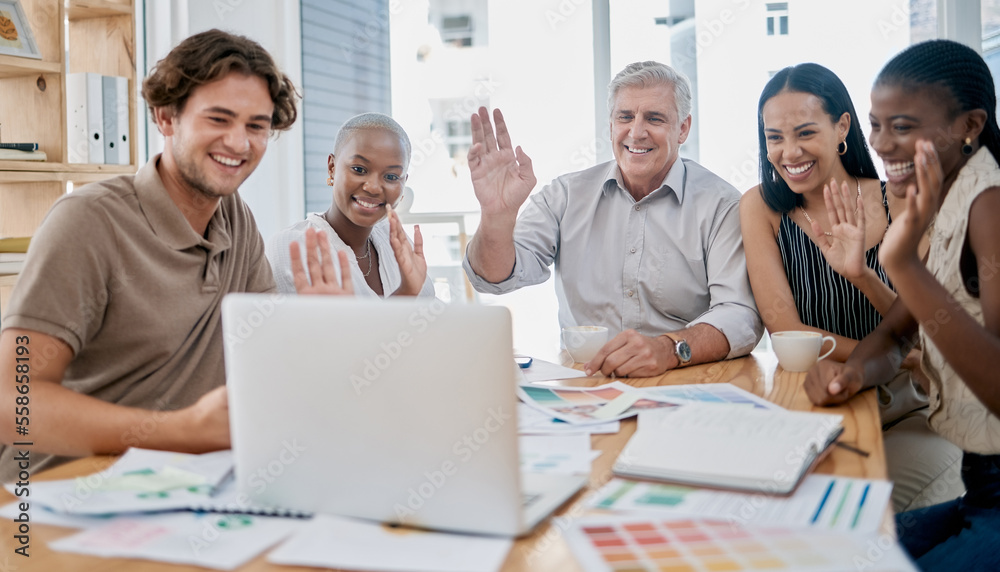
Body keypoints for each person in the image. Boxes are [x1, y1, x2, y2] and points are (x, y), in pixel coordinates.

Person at [0, 29, 347, 483]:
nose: (240, 144)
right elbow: (13, 403)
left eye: (256, 126)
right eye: (218, 119)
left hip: (179, 487)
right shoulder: (87, 221)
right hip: (57, 499)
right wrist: (183, 432)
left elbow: (265, 370)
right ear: (166, 117)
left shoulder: (236, 221)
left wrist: (320, 334)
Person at [804, 40, 1000, 569]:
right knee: (829, 553)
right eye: (877, 125)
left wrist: (904, 264)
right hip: (982, 492)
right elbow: (896, 335)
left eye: (904, 127)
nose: (882, 144)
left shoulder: (990, 207)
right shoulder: (950, 202)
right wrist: (852, 374)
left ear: (970, 125)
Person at [741, 63, 962, 512]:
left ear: (842, 125)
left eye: (805, 132)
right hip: (814, 405)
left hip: (907, 406)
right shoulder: (761, 208)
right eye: (774, 137)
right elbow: (786, 330)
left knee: (867, 516)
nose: (788, 152)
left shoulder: (900, 197)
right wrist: (883, 354)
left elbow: (923, 327)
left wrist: (860, 274)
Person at [462, 61, 762, 377]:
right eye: (625, 117)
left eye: (654, 118)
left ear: (683, 128)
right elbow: (494, 278)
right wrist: (496, 216)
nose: (636, 132)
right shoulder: (565, 195)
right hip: (585, 383)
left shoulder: (721, 204)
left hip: (683, 379)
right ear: (610, 125)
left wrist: (669, 348)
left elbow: (740, 315)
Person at [268, 112, 433, 297]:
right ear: (332, 168)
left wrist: (408, 290)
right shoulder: (292, 248)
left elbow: (433, 321)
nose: (373, 187)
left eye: (391, 177)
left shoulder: (394, 242)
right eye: (359, 169)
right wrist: (406, 293)